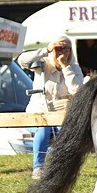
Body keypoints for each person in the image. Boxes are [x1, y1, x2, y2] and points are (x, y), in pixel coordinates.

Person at [23, 37, 85, 180]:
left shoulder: (74, 68)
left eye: (66, 48)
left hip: (62, 116)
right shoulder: (42, 64)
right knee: (44, 128)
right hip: (39, 113)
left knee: (68, 132)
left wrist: (66, 68)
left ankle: (66, 168)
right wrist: (46, 50)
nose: (63, 51)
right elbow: (22, 60)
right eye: (59, 48)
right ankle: (38, 167)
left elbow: (77, 90)